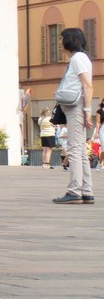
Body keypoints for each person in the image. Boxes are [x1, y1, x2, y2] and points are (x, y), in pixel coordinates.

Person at [52, 27, 94, 204]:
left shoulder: (78, 59)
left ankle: (74, 190)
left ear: (69, 40)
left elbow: (87, 85)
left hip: (76, 106)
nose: (60, 43)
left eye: (62, 39)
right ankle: (86, 191)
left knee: (75, 149)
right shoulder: (79, 58)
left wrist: (87, 111)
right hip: (76, 107)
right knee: (80, 150)